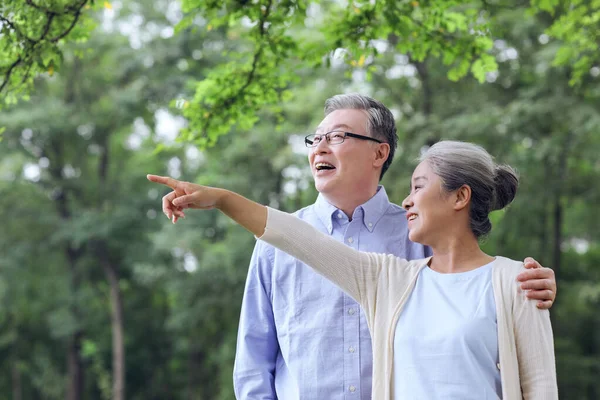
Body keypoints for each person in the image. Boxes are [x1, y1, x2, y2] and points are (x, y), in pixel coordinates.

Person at [150, 94, 557, 399]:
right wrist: (221, 198)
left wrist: (527, 286)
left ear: (380, 153)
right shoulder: (387, 275)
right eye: (316, 138)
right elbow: (289, 243)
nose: (320, 147)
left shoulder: (476, 267)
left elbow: (534, 380)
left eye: (338, 136)